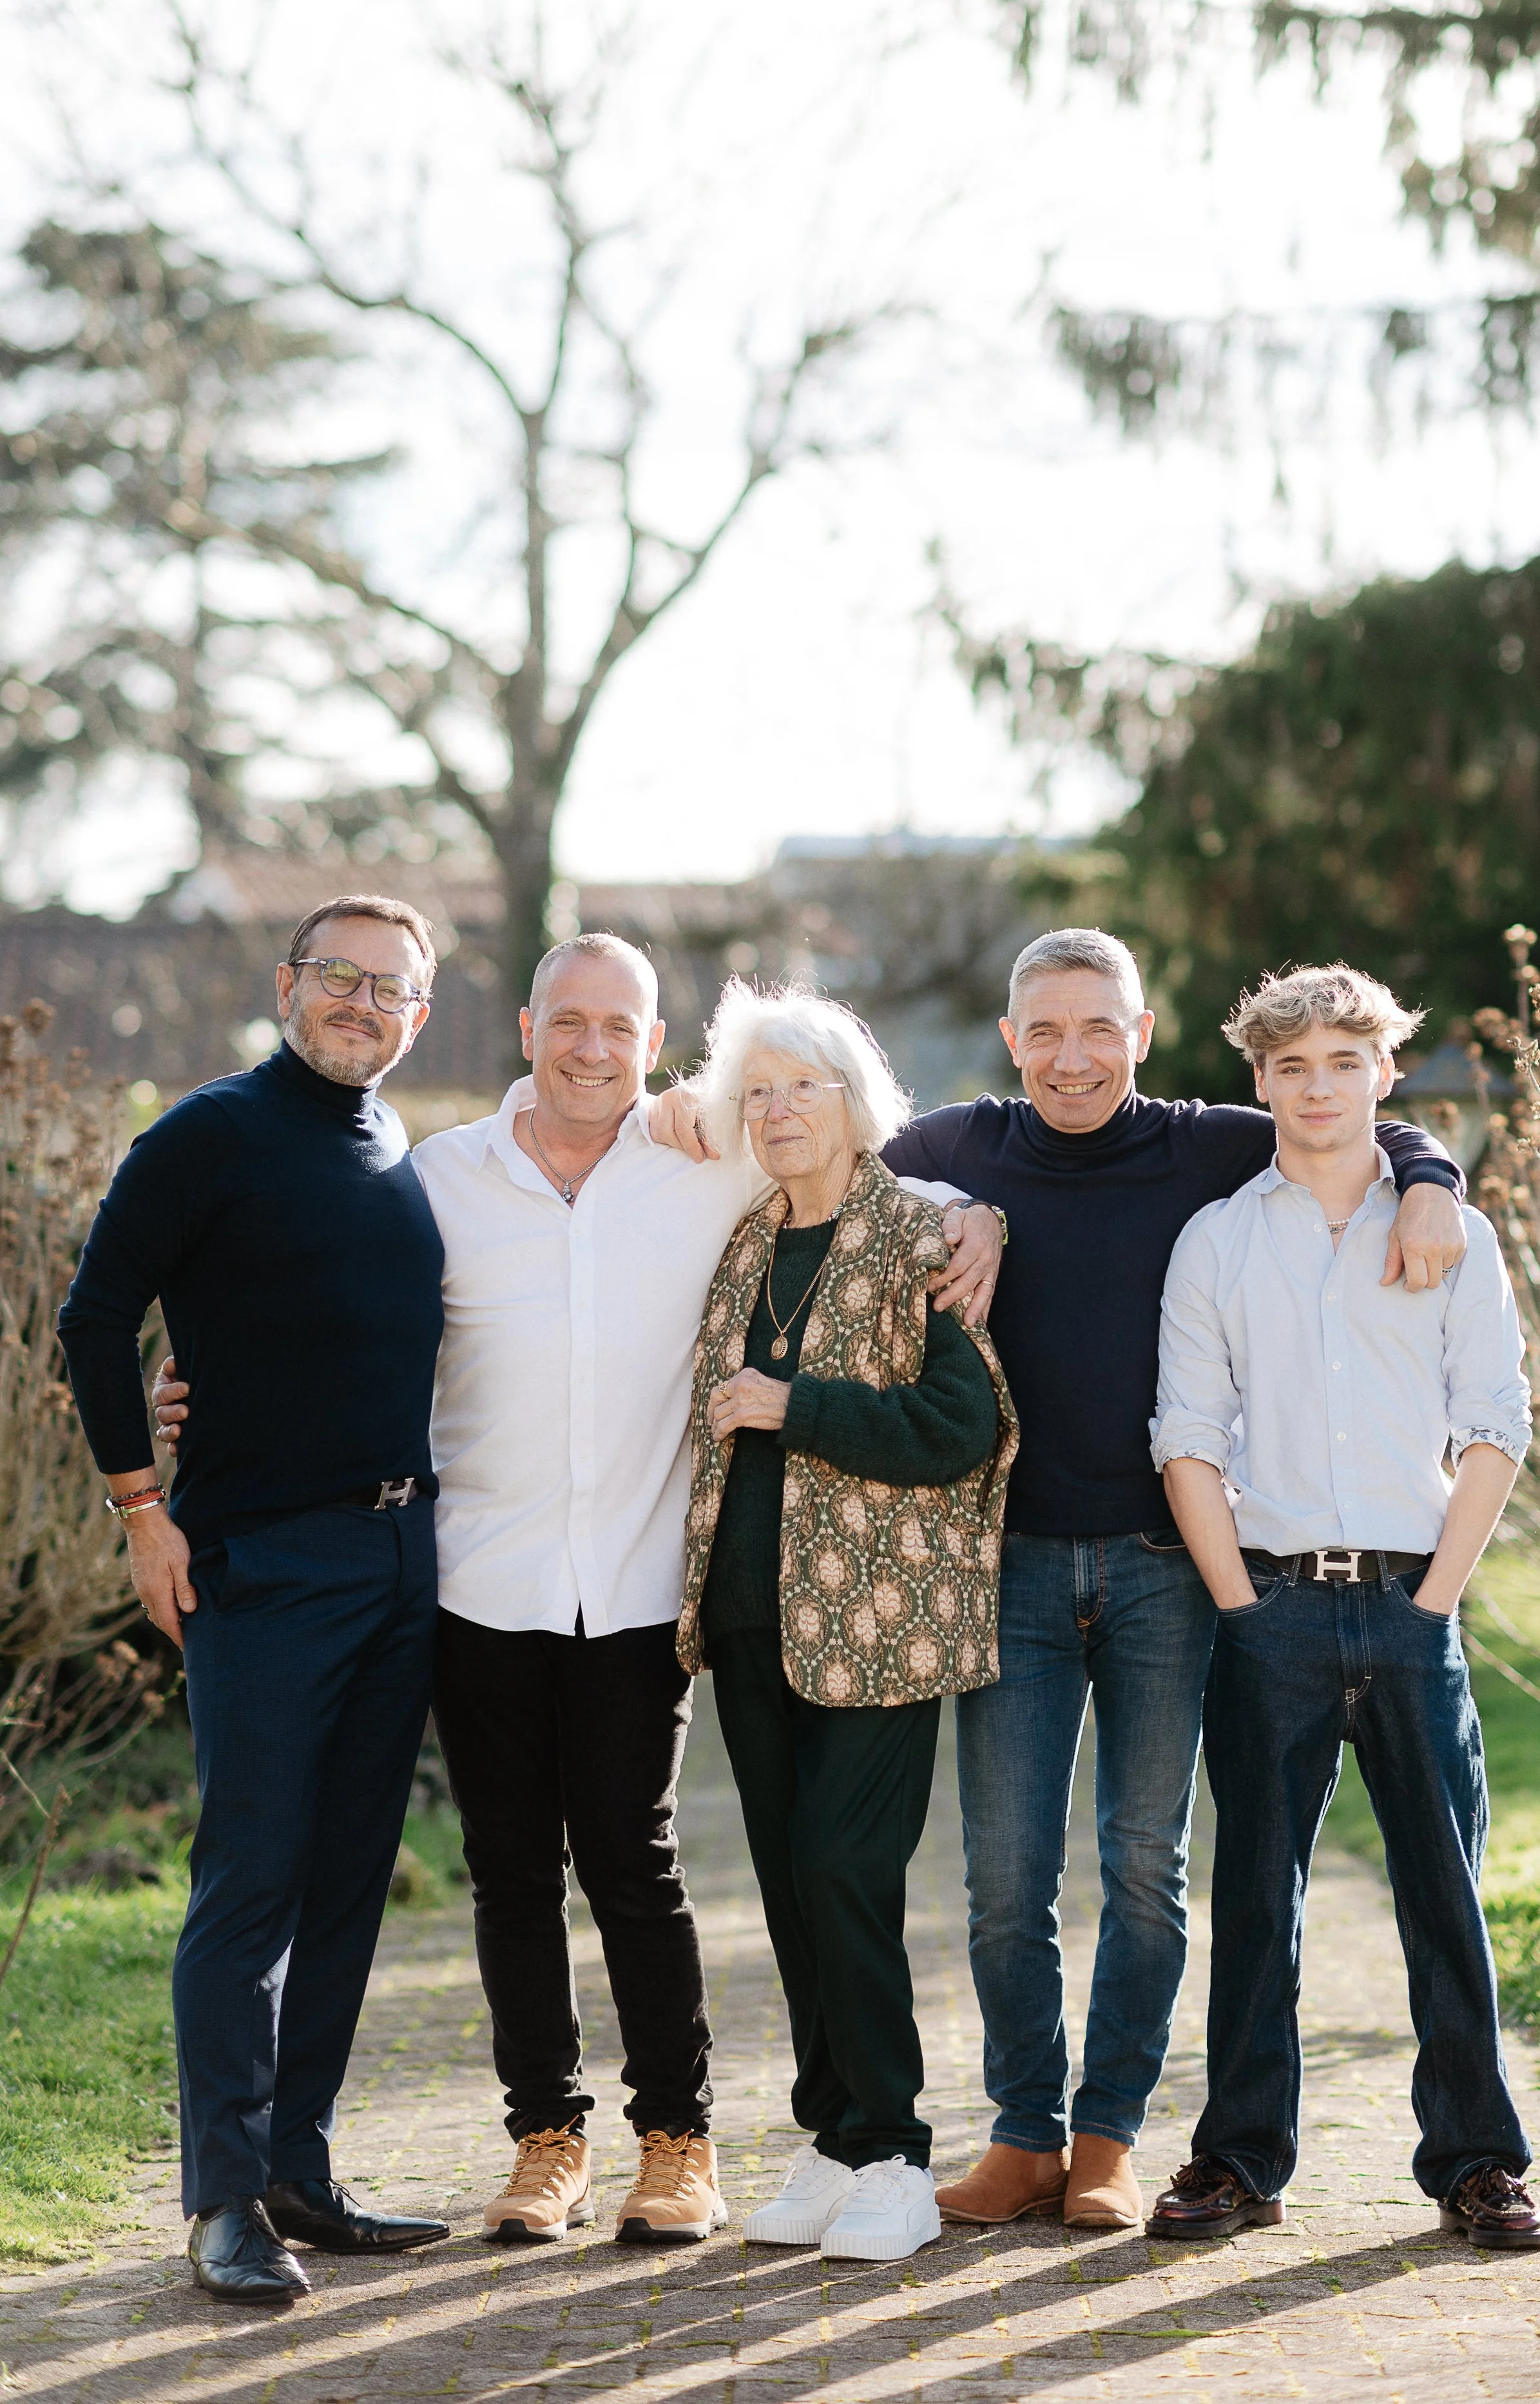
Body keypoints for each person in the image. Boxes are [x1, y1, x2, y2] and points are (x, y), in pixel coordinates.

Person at [160, 935, 1002, 2247]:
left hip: (631, 1581)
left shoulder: (703, 1162)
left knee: (633, 1866)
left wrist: (978, 1216)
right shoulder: (438, 1177)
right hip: (475, 1580)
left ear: (653, 1043)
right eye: (570, 1020)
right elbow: (316, 1305)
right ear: (525, 1029)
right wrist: (200, 1389)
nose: (593, 1046)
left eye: (620, 1025)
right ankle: (543, 2141)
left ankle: (678, 2140)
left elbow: (860, 1166)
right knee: (507, 1873)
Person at [871, 929, 1469, 2232]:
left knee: (1145, 1864)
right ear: (1008, 1038)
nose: (1072, 1055)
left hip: (1166, 1572)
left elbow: (1345, 1131)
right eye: (1045, 1031)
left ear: (1139, 1035)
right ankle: (1023, 2132)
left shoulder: (1208, 1142)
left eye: (1100, 1029)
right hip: (1010, 1566)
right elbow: (833, 1176)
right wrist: (954, 1212)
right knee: (1003, 1877)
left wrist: (1430, 1166)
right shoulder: (955, 1146)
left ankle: (1106, 2138)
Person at [58, 897, 455, 2305]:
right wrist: (139, 1510)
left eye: (391, 988)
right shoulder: (210, 1133)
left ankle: (300, 2169)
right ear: (287, 984)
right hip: (261, 1563)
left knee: (350, 1877)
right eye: (340, 978)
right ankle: (222, 2200)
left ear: (420, 1013)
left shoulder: (400, 1147)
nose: (364, 1003)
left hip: (405, 1556)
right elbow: (96, 1317)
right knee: (253, 1884)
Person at [1146, 964, 1540, 2251]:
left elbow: (1494, 1427)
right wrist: (1236, 1606)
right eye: (1290, 1066)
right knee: (1256, 1898)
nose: (1315, 1088)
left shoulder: (1448, 1232)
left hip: (1406, 1607)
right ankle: (1238, 2159)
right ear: (1256, 1080)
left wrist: (1434, 1601)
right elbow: (1185, 1439)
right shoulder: (1216, 1239)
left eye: (1341, 1063)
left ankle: (1476, 2163)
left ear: (1383, 1074)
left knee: (1444, 1895)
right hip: (1264, 1613)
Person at [676, 981, 1017, 2263]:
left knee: (843, 1873)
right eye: (752, 1093)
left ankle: (892, 2154)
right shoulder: (749, 1240)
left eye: (798, 1089)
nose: (774, 1113)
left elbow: (962, 1428)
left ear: (851, 1101)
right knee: (786, 1886)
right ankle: (827, 2137)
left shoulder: (918, 1233)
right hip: (752, 1618)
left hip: (878, 1623)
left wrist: (790, 1405)